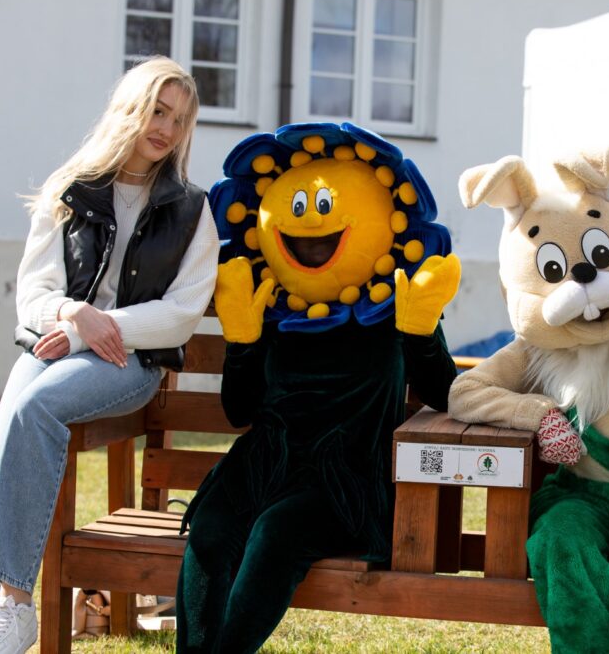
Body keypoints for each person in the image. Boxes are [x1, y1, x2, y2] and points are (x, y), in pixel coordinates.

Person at [0, 56, 218, 654]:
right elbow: (33, 296)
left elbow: (181, 313)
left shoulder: (191, 207)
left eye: (180, 119)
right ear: (130, 108)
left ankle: (14, 605)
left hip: (128, 363)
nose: (167, 129)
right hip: (49, 348)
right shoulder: (70, 188)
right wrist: (70, 313)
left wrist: (92, 328)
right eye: (158, 111)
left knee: (34, 410)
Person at [174, 123, 460, 653]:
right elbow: (240, 412)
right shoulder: (273, 303)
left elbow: (443, 393)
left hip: (344, 478)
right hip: (264, 463)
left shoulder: (392, 300)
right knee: (211, 530)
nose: (309, 220)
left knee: (276, 532)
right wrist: (242, 341)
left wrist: (420, 332)